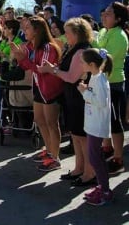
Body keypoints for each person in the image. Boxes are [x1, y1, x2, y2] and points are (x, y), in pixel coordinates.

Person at [39, 17, 95, 186]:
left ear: (77, 33)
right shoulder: (74, 49)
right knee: (76, 135)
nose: (65, 34)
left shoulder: (81, 51)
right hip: (72, 97)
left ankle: (89, 172)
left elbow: (71, 77)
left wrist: (52, 69)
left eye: (68, 32)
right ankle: (79, 168)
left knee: (82, 137)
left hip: (80, 98)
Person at [11, 16, 64, 172]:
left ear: (37, 30)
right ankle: (48, 151)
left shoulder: (49, 47)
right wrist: (19, 56)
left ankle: (55, 158)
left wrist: (22, 59)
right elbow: (24, 60)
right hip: (38, 87)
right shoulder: (31, 45)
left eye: (27, 28)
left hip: (50, 89)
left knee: (52, 123)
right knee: (40, 120)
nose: (24, 30)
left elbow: (41, 69)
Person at [78, 48, 114, 206]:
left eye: (82, 62)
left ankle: (105, 191)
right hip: (93, 123)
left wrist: (84, 92)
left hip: (97, 125)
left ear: (91, 64)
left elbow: (101, 102)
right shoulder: (95, 76)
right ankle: (102, 186)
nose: (81, 65)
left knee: (95, 158)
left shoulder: (99, 79)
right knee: (96, 157)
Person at [96, 1, 128, 175]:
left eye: (108, 14)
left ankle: (118, 158)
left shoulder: (120, 36)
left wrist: (94, 48)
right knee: (104, 120)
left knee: (115, 123)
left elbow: (104, 57)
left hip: (114, 83)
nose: (103, 16)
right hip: (100, 81)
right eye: (103, 13)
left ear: (118, 19)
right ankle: (106, 148)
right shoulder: (103, 31)